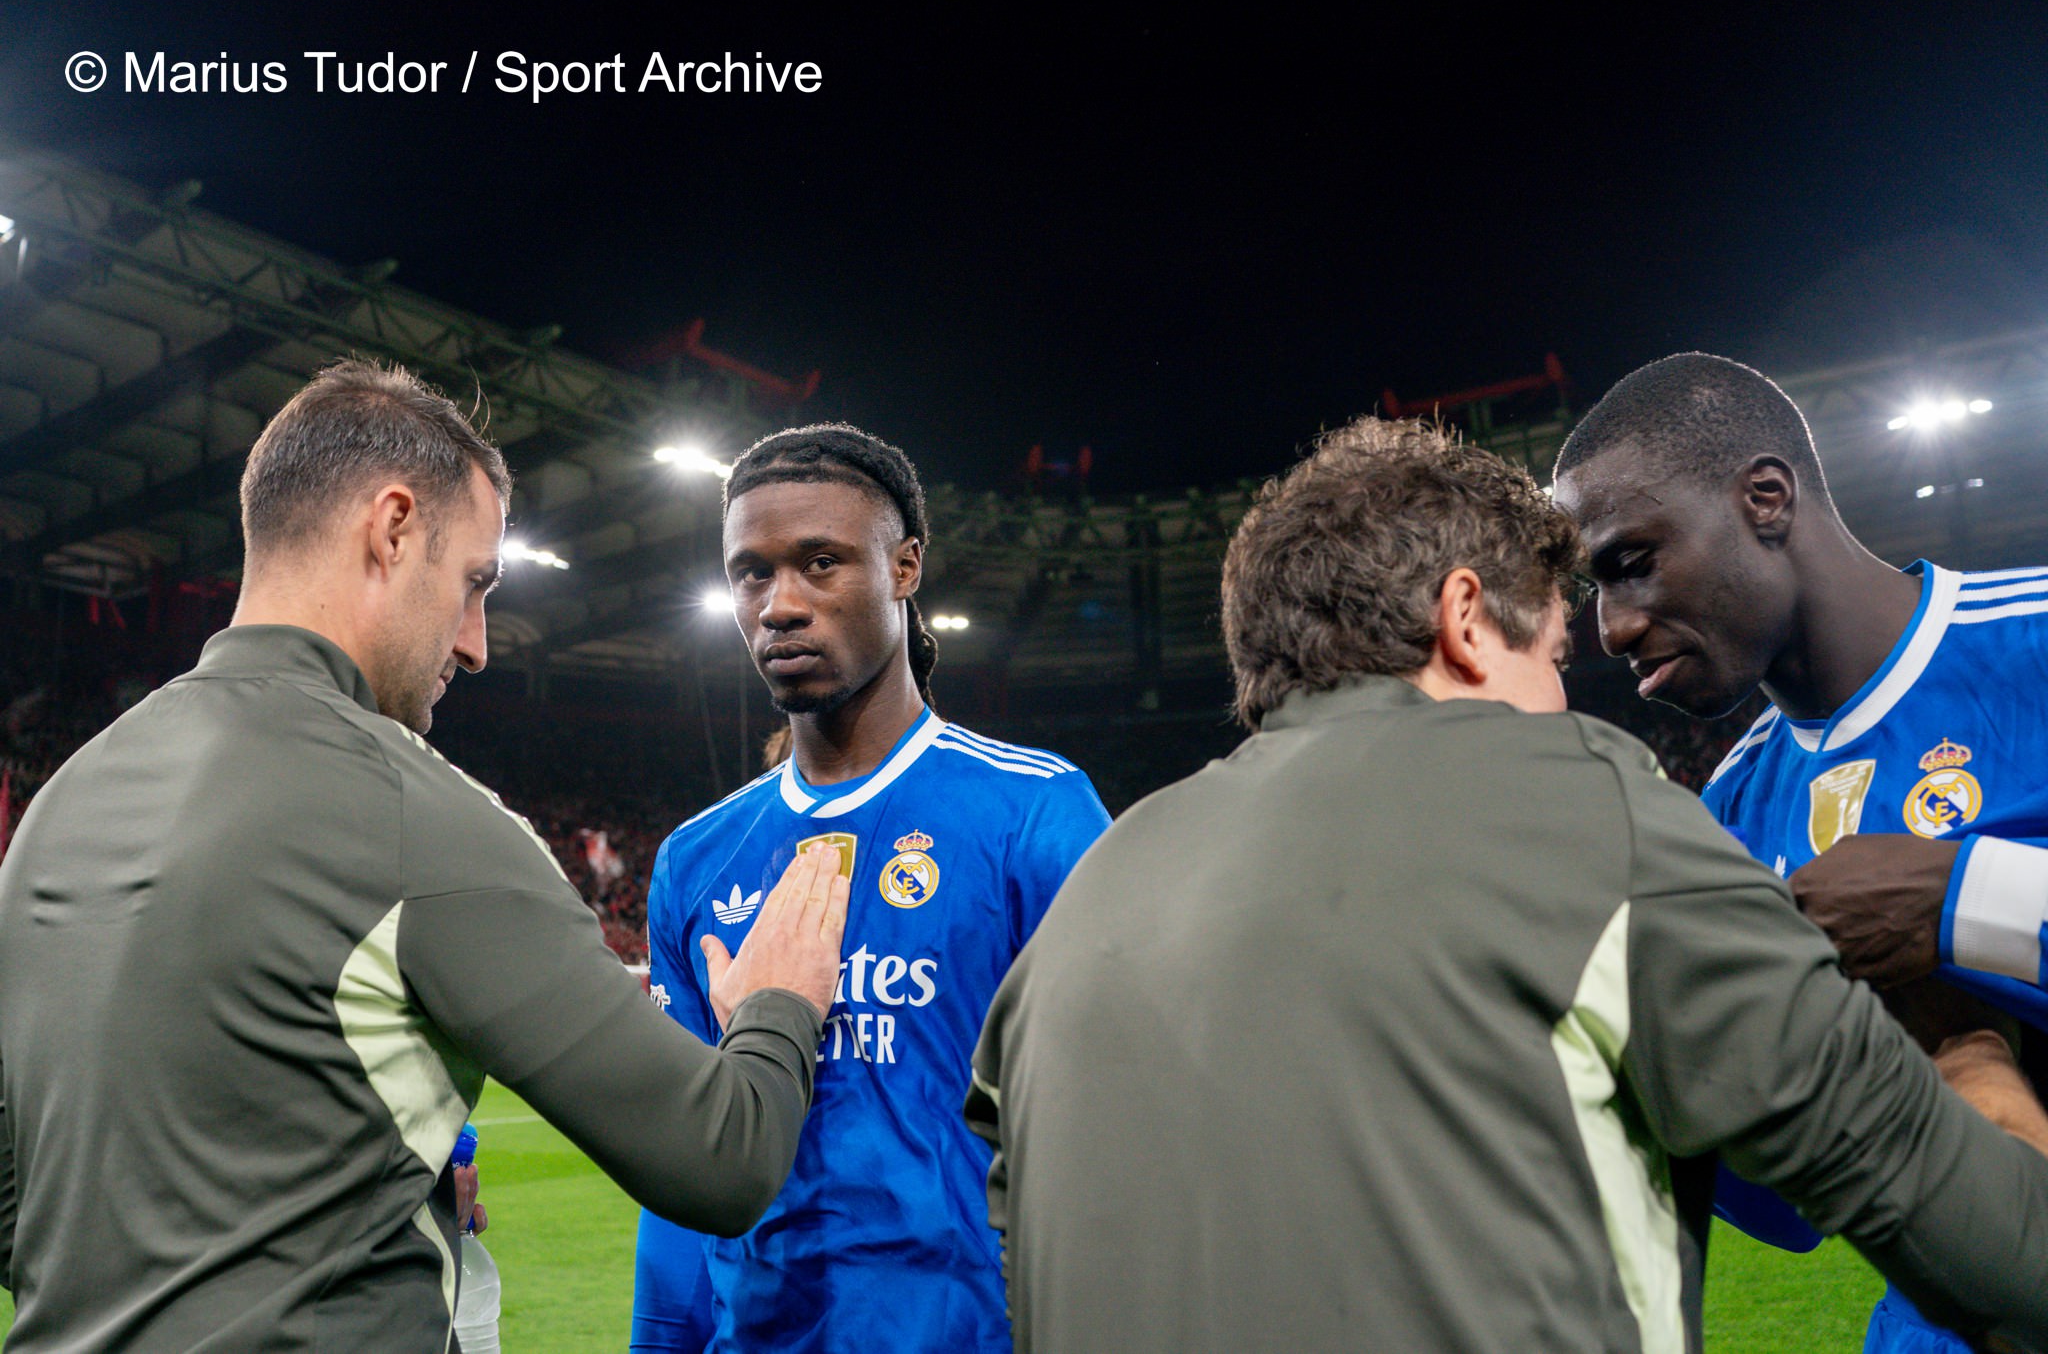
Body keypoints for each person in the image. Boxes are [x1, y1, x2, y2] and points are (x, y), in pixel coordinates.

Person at [967, 417, 2048, 1353]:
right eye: (1559, 655)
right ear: (1466, 619)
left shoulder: (1082, 904)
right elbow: (2006, 1257)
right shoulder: (1584, 811)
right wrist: (1967, 1055)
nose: (1585, 681)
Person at [0, 360, 848, 1351]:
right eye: (474, 582)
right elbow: (722, 1159)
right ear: (392, 527)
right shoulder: (413, 814)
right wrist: (778, 1005)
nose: (479, 642)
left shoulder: (61, 804)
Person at [1552, 351, 2048, 1351]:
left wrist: (1962, 899)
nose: (1608, 629)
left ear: (1764, 500)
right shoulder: (1720, 814)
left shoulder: (2031, 641)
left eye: (1630, 561)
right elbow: (1788, 1212)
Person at [632, 424, 1111, 1353]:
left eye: (820, 563)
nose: (779, 604)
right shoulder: (697, 860)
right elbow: (685, 1167)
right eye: (751, 573)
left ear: (904, 567)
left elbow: (1116, 1133)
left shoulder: (1035, 815)